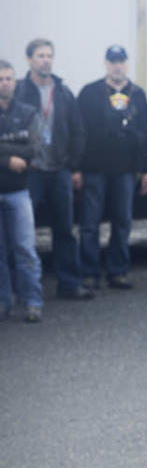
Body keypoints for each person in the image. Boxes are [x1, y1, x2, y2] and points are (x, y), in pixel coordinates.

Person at [14, 38, 92, 300]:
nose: (46, 60)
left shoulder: (63, 91)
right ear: (30, 60)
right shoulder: (20, 90)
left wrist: (75, 166)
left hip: (59, 170)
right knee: (21, 233)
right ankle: (19, 288)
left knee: (64, 229)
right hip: (31, 171)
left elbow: (77, 129)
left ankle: (69, 284)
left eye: (49, 55)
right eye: (40, 55)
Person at [77, 45, 147, 290]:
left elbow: (145, 133)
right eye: (112, 61)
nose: (117, 66)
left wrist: (146, 169)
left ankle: (117, 271)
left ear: (126, 64)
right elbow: (79, 132)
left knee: (122, 222)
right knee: (90, 223)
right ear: (106, 64)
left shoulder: (137, 94)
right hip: (93, 169)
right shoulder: (90, 92)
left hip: (126, 170)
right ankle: (89, 272)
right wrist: (75, 167)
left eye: (121, 61)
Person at [0, 59, 44, 322]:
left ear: (15, 82)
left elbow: (34, 148)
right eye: (0, 79)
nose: (4, 83)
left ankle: (32, 301)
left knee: (25, 249)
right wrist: (8, 159)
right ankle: (4, 301)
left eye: (8, 78)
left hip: (19, 192)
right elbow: (20, 150)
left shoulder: (28, 113)